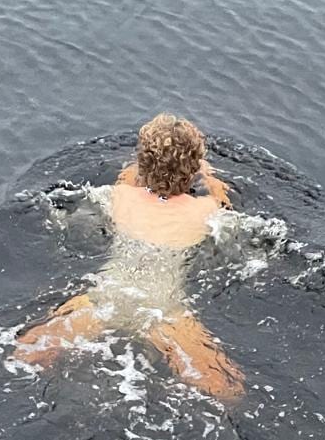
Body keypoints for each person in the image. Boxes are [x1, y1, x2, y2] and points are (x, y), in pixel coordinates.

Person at [13, 115, 245, 401]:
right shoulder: (205, 211)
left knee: (24, 355)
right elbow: (223, 198)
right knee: (228, 391)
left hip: (104, 299)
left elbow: (127, 177)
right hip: (163, 312)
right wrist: (206, 173)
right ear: (193, 169)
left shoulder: (119, 197)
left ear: (141, 164)